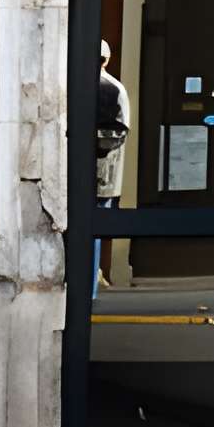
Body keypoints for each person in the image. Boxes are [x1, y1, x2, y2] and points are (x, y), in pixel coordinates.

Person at [95, 36, 131, 294]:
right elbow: (120, 131)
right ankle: (90, 287)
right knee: (94, 231)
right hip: (104, 173)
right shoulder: (115, 88)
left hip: (100, 171)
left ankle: (88, 287)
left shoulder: (108, 88)